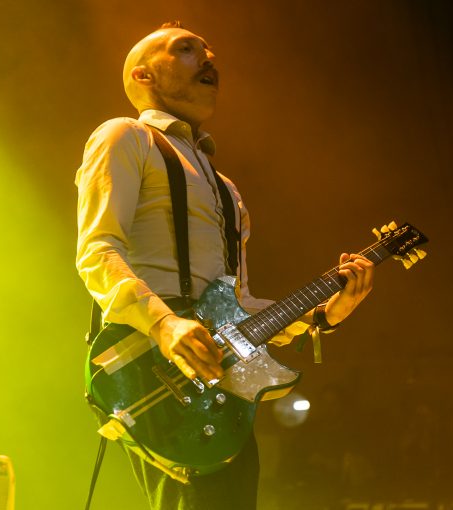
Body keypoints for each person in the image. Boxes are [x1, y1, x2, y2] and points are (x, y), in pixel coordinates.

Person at [75, 21, 374, 510]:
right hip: (153, 365)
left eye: (208, 50)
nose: (208, 58)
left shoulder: (226, 188)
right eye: (186, 49)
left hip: (219, 383)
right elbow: (98, 250)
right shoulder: (125, 136)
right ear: (144, 75)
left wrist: (321, 317)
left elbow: (235, 304)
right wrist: (165, 325)